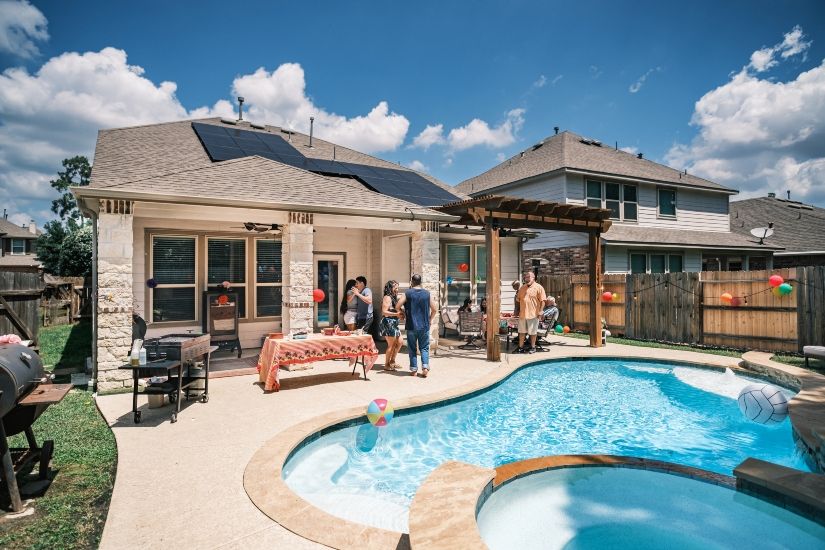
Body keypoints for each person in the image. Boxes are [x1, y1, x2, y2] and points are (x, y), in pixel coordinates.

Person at [396, 273, 437, 377]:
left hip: (411, 325)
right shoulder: (427, 293)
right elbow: (434, 309)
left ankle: (413, 370)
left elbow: (397, 306)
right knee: (424, 348)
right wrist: (430, 319)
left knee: (412, 348)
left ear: (412, 282)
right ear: (420, 282)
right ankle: (425, 368)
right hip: (424, 325)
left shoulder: (407, 293)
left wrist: (402, 313)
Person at [515, 270, 546, 354]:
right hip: (522, 314)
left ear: (533, 278)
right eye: (525, 277)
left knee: (532, 333)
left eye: (528, 277)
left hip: (533, 314)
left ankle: (533, 347)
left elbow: (543, 300)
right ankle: (520, 347)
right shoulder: (522, 288)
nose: (526, 278)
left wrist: (541, 311)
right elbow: (518, 300)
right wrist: (516, 310)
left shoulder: (539, 287)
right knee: (521, 332)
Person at [379, 280, 404, 371]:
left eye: (398, 288)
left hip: (394, 323)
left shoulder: (393, 298)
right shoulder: (387, 297)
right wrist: (397, 315)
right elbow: (384, 312)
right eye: (395, 288)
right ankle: (386, 364)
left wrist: (401, 314)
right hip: (387, 323)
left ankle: (392, 361)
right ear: (390, 288)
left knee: (400, 342)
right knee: (391, 345)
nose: (397, 289)